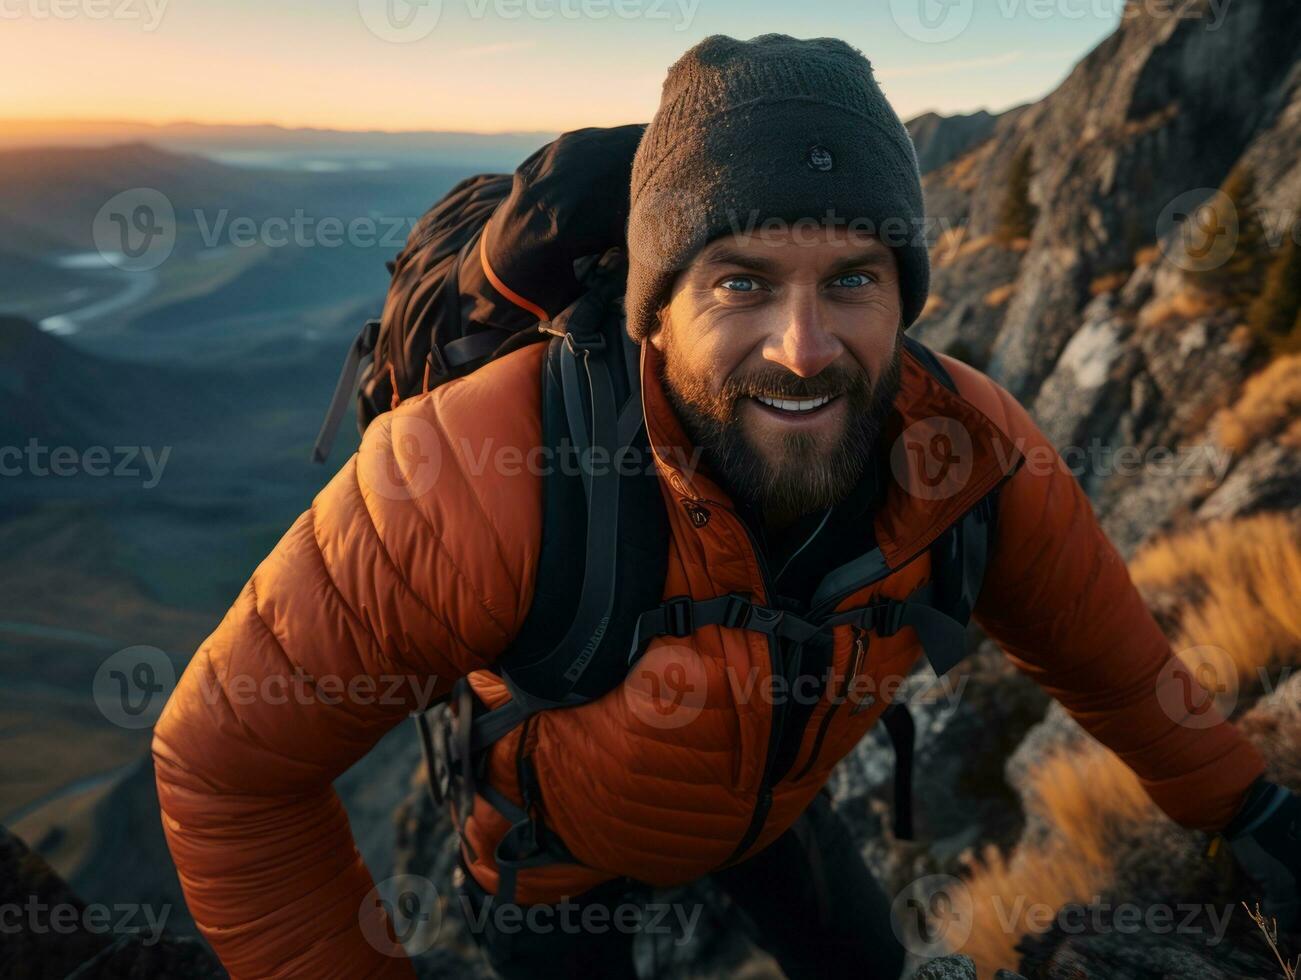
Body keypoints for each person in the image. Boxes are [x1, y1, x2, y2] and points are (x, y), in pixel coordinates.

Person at [152, 33, 1299, 979]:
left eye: (851, 277)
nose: (802, 350)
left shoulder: (965, 448)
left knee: (865, 965)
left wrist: (1243, 807)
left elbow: (1105, 656)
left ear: (904, 297)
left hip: (773, 800)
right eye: (739, 280)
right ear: (654, 310)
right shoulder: (472, 467)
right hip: (553, 855)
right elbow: (226, 764)